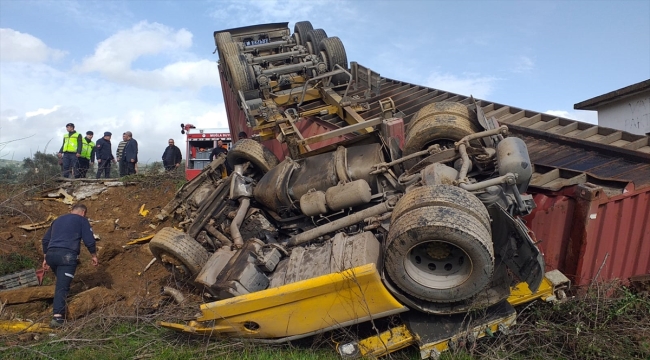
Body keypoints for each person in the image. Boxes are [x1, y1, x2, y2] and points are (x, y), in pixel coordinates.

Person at [42, 203, 98, 327]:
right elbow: (89, 239)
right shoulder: (82, 220)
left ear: (71, 210)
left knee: (62, 283)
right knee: (62, 286)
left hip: (51, 255)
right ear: (83, 212)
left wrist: (45, 258)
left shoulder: (57, 220)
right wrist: (93, 255)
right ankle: (58, 318)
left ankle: (61, 305)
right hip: (66, 256)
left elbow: (45, 240)